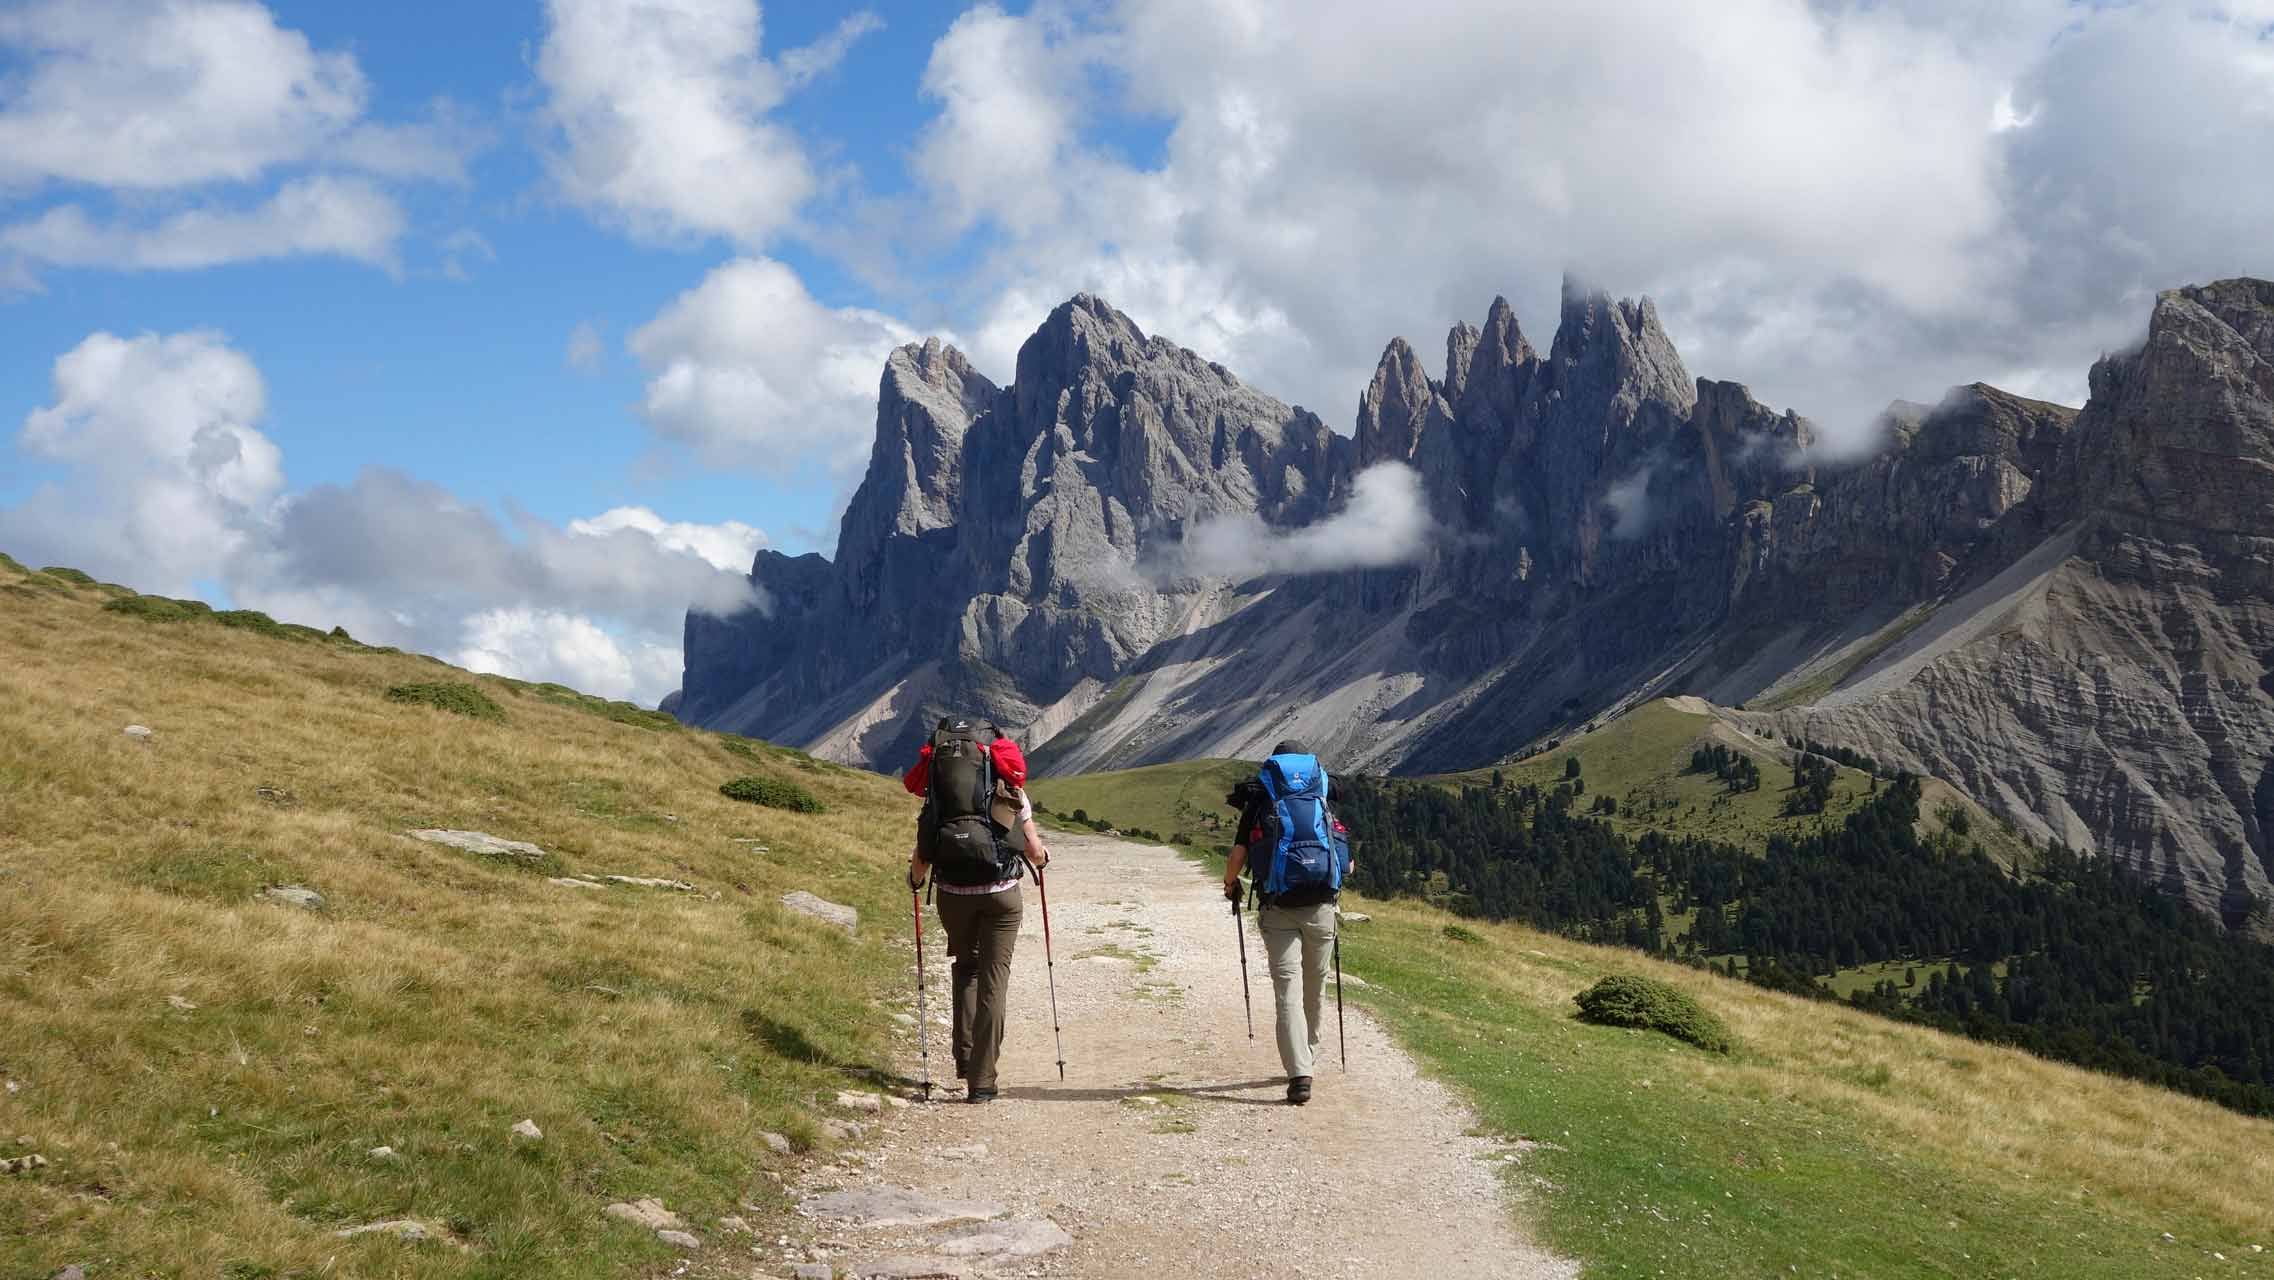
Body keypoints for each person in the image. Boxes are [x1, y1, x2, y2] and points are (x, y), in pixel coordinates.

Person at [903, 718, 1050, 1103]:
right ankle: (982, 1082)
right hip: (1001, 894)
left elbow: (924, 844)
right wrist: (1043, 857)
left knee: (966, 967)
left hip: (953, 894)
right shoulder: (1009, 789)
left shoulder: (939, 793)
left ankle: (965, 1059)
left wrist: (916, 879)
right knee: (994, 979)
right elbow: (1034, 850)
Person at [1223, 739, 1350, 1106]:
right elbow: (1345, 857)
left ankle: (1299, 1073)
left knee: (1287, 991)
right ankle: (1307, 1054)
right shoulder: (1322, 791)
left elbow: (1238, 854)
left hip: (1278, 908)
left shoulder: (1262, 795)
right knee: (1316, 985)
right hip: (1322, 906)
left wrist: (1231, 884)